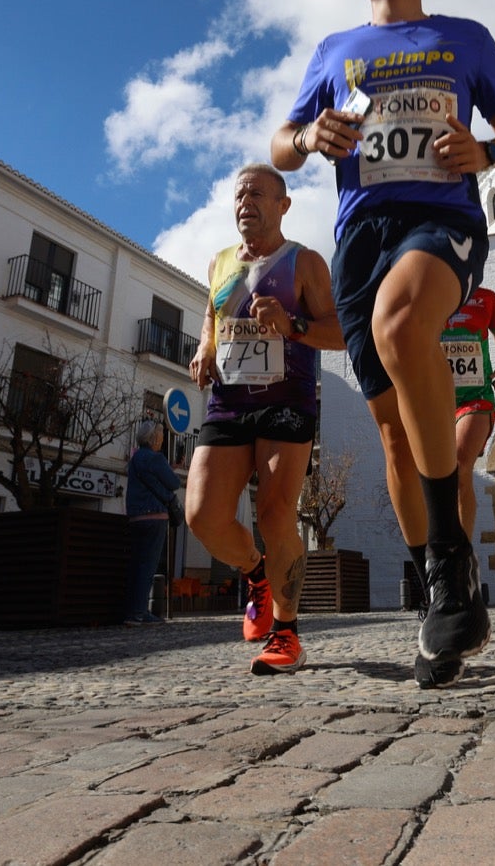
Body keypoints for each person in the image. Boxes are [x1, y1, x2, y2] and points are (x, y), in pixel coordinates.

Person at [272, 0, 495, 688]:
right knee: (391, 434)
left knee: (400, 325)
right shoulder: (334, 50)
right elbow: (280, 146)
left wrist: (483, 151)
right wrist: (310, 137)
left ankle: (450, 567)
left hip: (441, 218)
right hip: (360, 237)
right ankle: (438, 587)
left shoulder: (465, 38)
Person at [185, 163, 343, 675]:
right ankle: (256, 573)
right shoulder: (220, 263)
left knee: (276, 515)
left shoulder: (306, 263)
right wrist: (206, 346)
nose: (245, 202)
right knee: (203, 517)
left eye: (257, 193)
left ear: (283, 205)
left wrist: (292, 324)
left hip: (287, 399)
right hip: (229, 401)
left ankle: (287, 634)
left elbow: (340, 332)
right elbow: (212, 311)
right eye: (238, 195)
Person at [443, 286, 495, 539]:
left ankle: (461, 555)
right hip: (434, 400)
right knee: (436, 477)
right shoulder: (426, 291)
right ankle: (444, 550)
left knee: (459, 465)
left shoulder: (486, 299)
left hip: (475, 398)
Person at [124, 418, 181, 625]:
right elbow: (173, 483)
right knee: (148, 566)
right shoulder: (156, 458)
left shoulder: (136, 458)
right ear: (155, 438)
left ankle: (133, 610)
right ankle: (138, 613)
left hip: (135, 516)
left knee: (137, 565)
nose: (163, 440)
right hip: (155, 516)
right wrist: (169, 469)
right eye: (162, 437)